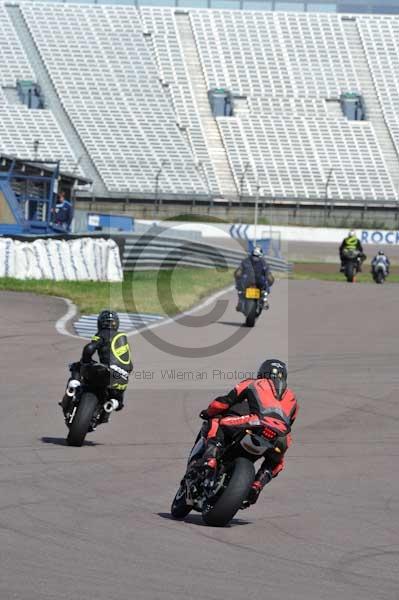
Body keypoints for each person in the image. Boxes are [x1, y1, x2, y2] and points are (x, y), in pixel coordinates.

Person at [198, 359, 298, 508]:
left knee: (218, 421)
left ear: (262, 372)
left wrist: (208, 412)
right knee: (277, 461)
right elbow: (289, 424)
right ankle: (258, 484)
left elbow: (224, 403)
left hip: (255, 423)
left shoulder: (253, 383)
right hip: (280, 436)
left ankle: (211, 458)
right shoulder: (293, 399)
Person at [60, 310, 133, 419]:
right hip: (121, 375)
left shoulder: (103, 333)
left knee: (76, 366)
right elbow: (129, 364)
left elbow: (89, 348)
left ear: (99, 323)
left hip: (106, 370)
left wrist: (85, 361)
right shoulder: (123, 339)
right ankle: (111, 404)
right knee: (118, 402)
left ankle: (72, 389)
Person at [234, 246, 275, 311]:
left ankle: (264, 300)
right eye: (254, 256)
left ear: (260, 256)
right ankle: (240, 302)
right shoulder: (246, 261)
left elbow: (268, 273)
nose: (255, 258)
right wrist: (238, 275)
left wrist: (269, 279)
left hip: (258, 282)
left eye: (257, 256)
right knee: (240, 288)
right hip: (248, 281)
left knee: (265, 287)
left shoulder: (263, 263)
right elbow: (239, 271)